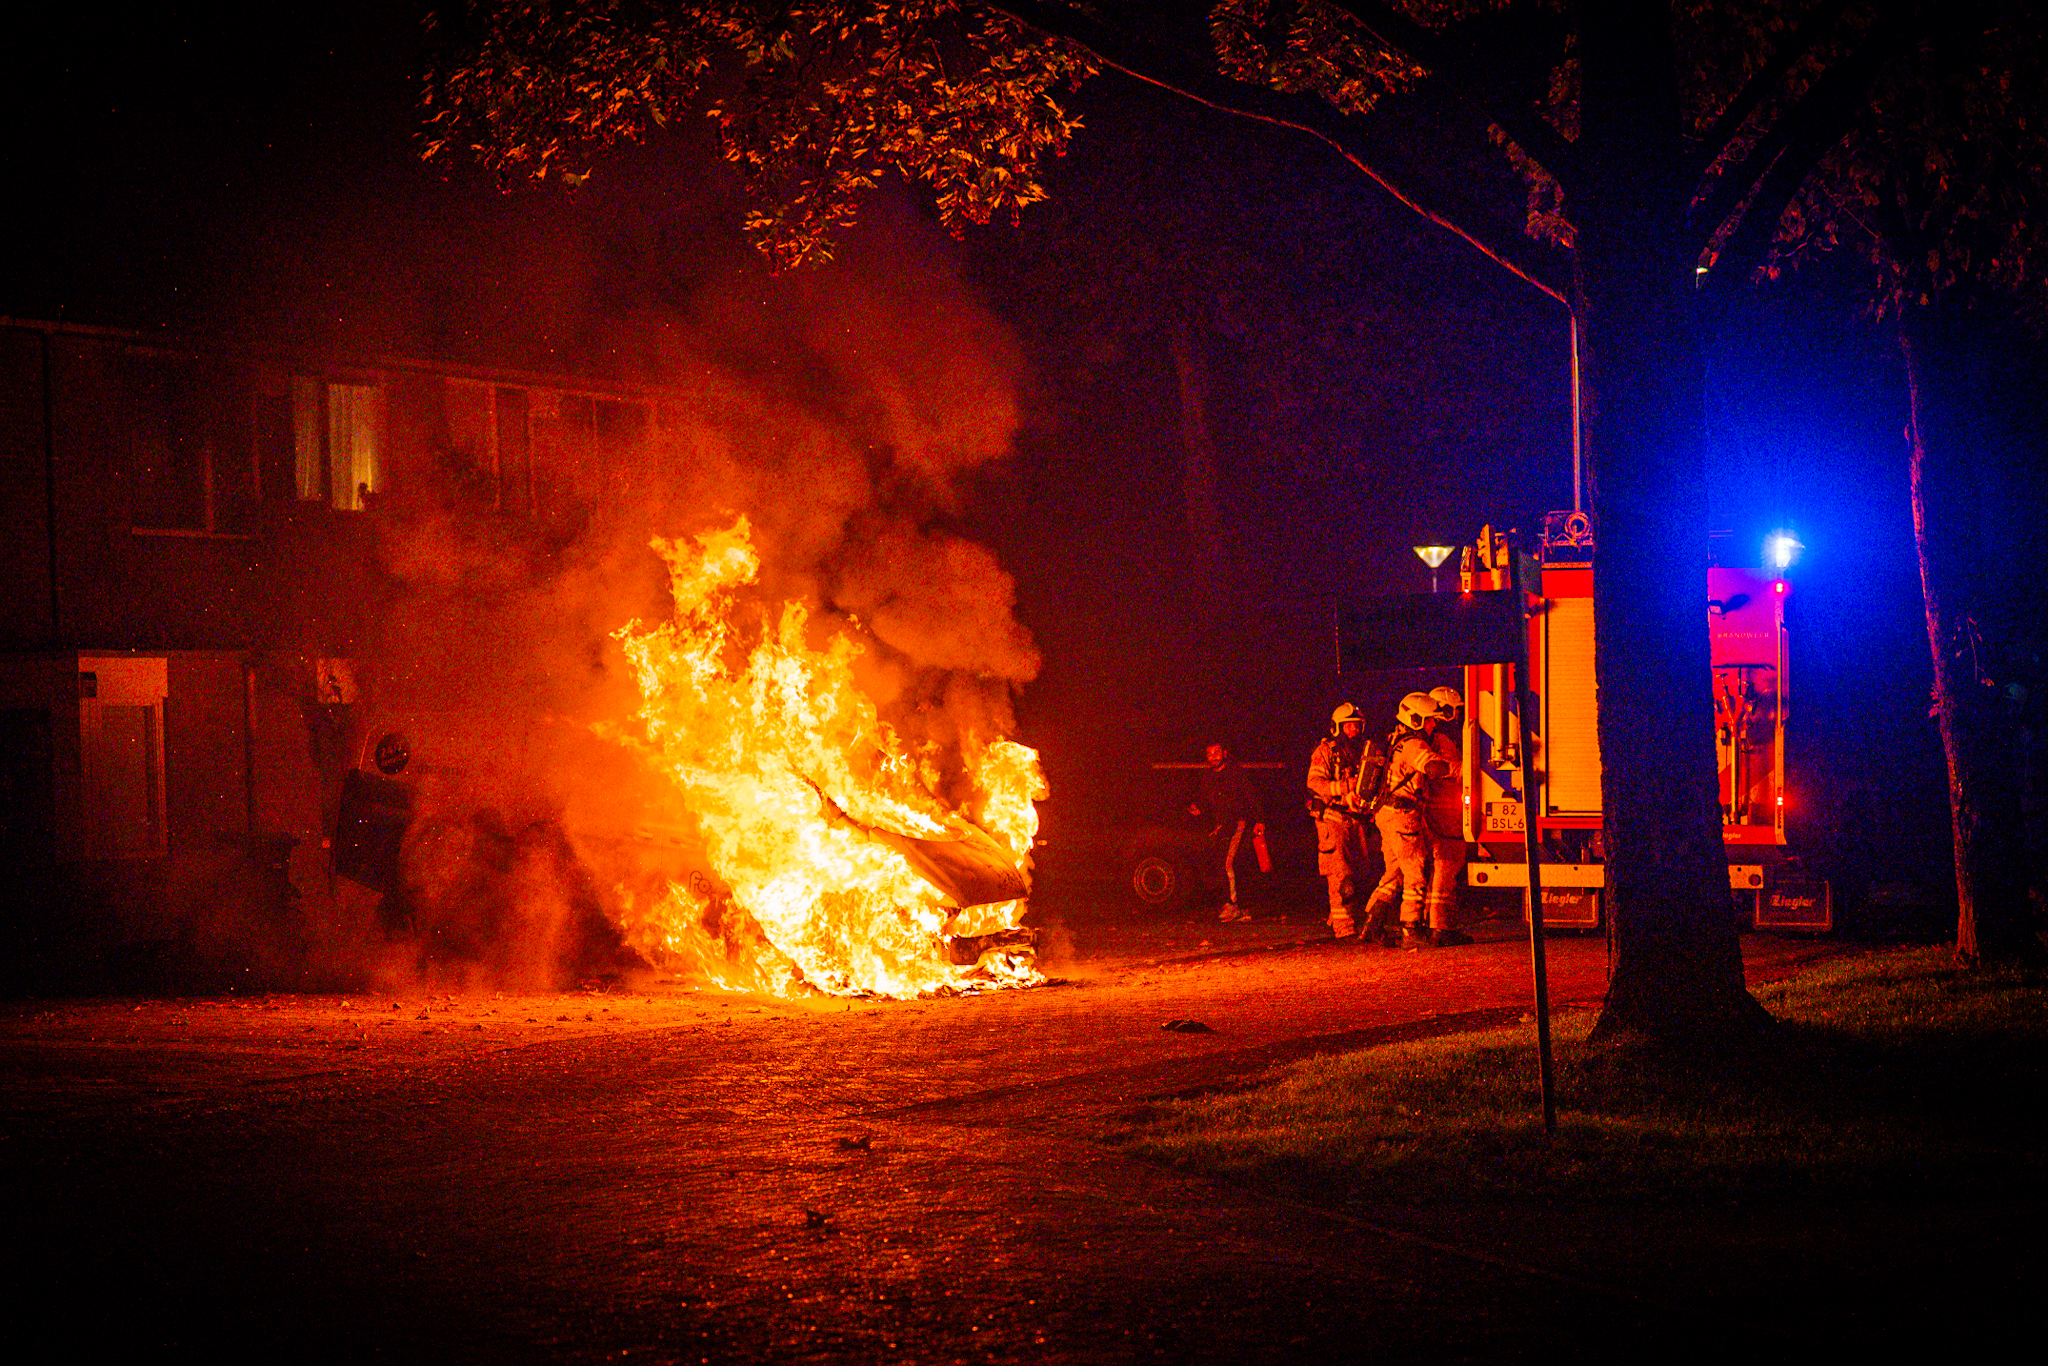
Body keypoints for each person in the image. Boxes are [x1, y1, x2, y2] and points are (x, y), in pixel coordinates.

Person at [1356, 692, 1452, 949]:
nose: (1433, 725)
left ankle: (1372, 924)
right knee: (1415, 873)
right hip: (1403, 817)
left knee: (1394, 872)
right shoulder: (1413, 745)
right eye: (1429, 720)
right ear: (1417, 718)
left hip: (1386, 814)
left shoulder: (1393, 739)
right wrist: (1459, 766)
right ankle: (1411, 928)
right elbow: (1433, 768)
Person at [1306, 703, 1386, 938]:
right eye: (1348, 725)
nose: (1353, 730)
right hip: (1333, 817)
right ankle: (1343, 926)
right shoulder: (1325, 751)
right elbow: (1315, 784)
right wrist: (1344, 788)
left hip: (1359, 819)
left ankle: (1346, 918)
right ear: (1337, 727)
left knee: (1362, 872)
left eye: (1356, 725)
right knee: (1340, 875)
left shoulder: (1366, 752)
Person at [1421, 686, 1474, 947]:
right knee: (1447, 864)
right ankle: (1439, 927)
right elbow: (1448, 770)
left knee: (1444, 867)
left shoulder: (1437, 737)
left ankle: (1439, 924)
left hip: (1441, 808)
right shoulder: (1441, 739)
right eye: (1455, 709)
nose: (1458, 714)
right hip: (1445, 808)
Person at [1190, 741, 1265, 921]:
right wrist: (1198, 808)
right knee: (1221, 864)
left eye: (1216, 752)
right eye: (1209, 753)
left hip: (1238, 823)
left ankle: (1232, 905)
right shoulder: (1208, 777)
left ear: (1224, 753)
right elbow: (1206, 800)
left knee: (1227, 863)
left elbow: (1250, 797)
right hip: (1220, 826)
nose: (1213, 756)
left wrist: (1259, 820)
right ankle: (1239, 905)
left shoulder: (1235, 773)